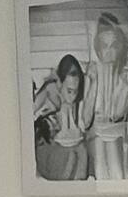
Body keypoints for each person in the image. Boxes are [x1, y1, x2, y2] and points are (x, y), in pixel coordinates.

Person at [85, 12, 128, 182]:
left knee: (115, 167)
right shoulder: (93, 72)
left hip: (116, 134)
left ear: (120, 47)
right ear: (98, 48)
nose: (108, 51)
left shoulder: (126, 75)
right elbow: (86, 121)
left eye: (113, 45)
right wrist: (93, 84)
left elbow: (116, 114)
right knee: (101, 162)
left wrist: (124, 85)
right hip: (96, 134)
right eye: (104, 46)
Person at [34, 53, 92, 181]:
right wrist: (44, 114)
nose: (72, 97)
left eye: (75, 91)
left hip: (67, 146)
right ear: (60, 83)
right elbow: (31, 111)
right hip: (49, 150)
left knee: (81, 151)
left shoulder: (75, 100)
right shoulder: (50, 90)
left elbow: (81, 126)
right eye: (69, 91)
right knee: (71, 156)